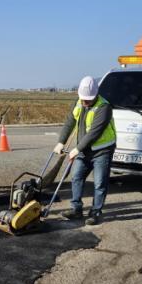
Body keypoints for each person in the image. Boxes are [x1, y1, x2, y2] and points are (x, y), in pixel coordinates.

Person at [54, 76, 116, 225]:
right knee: (76, 177)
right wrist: (61, 142)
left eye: (88, 100)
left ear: (96, 95)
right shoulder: (78, 102)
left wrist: (77, 149)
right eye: (83, 99)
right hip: (83, 149)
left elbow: (94, 132)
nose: (85, 102)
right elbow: (70, 122)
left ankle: (95, 212)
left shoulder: (104, 107)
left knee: (99, 183)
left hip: (102, 150)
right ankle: (76, 209)